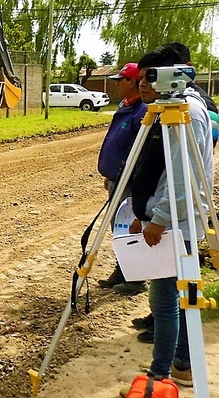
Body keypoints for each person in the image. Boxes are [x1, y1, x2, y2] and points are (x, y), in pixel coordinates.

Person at [127, 46, 213, 389]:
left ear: (170, 73)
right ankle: (180, 364)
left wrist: (159, 218)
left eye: (149, 76)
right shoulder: (173, 109)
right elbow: (161, 170)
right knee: (172, 298)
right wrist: (143, 211)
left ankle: (160, 377)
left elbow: (184, 172)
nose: (143, 83)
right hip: (174, 217)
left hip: (177, 222)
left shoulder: (186, 111)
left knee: (165, 301)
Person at [97, 62, 148, 295]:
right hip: (118, 179)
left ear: (133, 81)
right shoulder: (126, 106)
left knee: (128, 228)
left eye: (121, 80)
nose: (117, 85)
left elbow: (140, 152)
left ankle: (136, 278)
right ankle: (123, 270)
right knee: (118, 228)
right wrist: (111, 174)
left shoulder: (143, 111)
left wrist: (130, 180)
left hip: (129, 182)